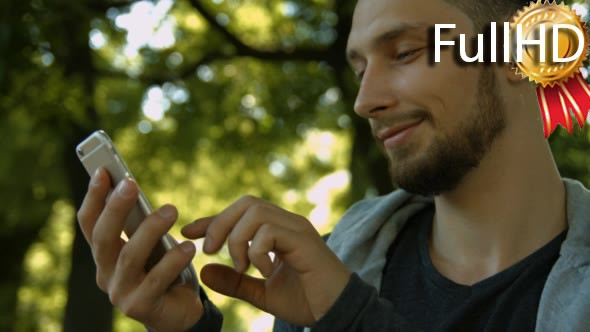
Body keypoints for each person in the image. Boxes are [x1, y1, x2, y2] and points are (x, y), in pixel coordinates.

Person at [76, 0, 590, 330]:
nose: (364, 100)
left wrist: (350, 319)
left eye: (406, 53)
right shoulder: (338, 263)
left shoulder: (338, 296)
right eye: (360, 68)